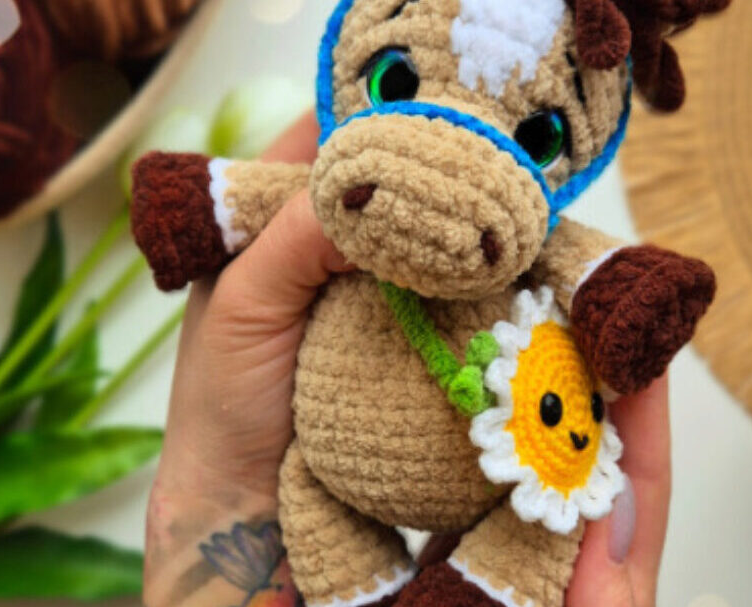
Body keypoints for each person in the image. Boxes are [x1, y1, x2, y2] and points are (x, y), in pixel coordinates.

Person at [142, 112, 673, 607]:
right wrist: (200, 204)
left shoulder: (530, 226)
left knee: (543, 521)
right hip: (325, 475)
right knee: (313, 503)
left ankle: (484, 587)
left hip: (515, 475)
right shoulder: (340, 195)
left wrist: (627, 296)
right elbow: (252, 201)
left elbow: (589, 268)